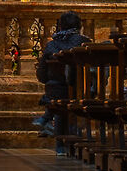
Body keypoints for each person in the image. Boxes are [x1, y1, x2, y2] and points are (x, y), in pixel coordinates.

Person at [34, 11, 88, 146]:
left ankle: (60, 146)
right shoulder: (84, 43)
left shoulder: (51, 45)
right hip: (79, 90)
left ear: (60, 27)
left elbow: (41, 73)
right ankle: (75, 143)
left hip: (54, 90)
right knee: (74, 100)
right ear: (79, 26)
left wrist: (48, 81)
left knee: (59, 105)